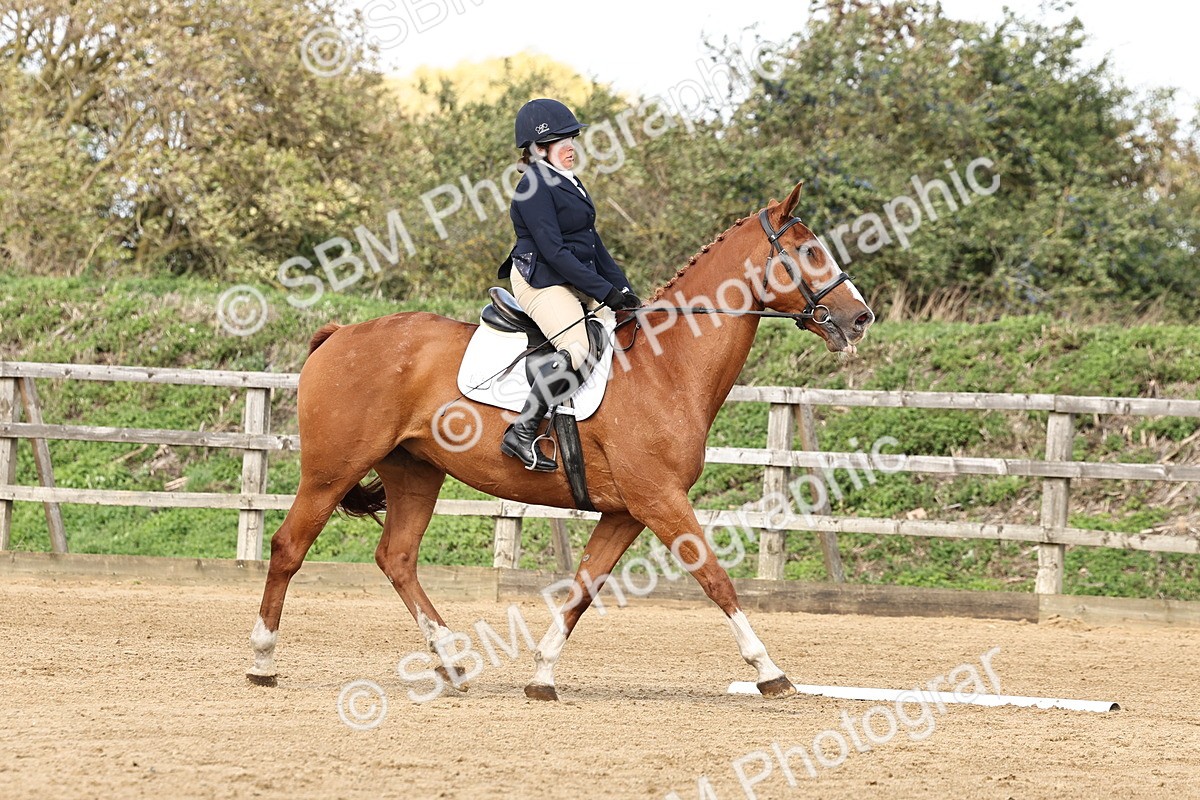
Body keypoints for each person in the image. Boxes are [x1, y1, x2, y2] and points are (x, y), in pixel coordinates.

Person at [497, 98, 641, 471]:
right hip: (541, 279)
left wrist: (624, 292)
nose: (570, 147)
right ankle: (522, 431)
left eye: (572, 138)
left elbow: (594, 246)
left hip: (571, 275)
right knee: (576, 347)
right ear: (538, 149)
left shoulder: (568, 181)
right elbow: (555, 252)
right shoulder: (533, 186)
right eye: (560, 141)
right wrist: (604, 292)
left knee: (623, 329)